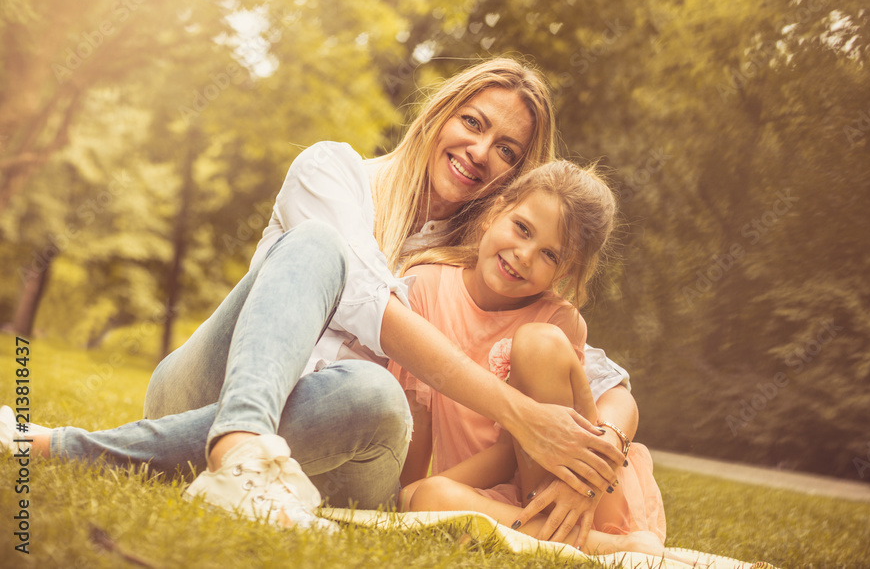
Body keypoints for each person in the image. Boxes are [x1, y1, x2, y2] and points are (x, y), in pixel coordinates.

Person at [0, 58, 624, 531]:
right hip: (211, 392)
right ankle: (241, 448)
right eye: (473, 122)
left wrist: (600, 456)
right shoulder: (333, 171)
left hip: (351, 444)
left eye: (507, 150)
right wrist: (520, 417)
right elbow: (365, 303)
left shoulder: (488, 263)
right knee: (319, 244)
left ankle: (65, 448)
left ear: (516, 179)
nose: (480, 152)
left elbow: (593, 373)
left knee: (377, 392)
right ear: (440, 114)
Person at [388, 160, 672, 558]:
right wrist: (410, 491)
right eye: (522, 228)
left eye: (550, 255)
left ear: (566, 271)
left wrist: (584, 473)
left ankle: (606, 541)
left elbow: (542, 436)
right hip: (495, 495)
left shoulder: (557, 321)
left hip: (571, 485)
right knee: (422, 497)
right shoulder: (427, 287)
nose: (523, 255)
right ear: (494, 211)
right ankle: (617, 550)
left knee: (537, 343)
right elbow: (415, 412)